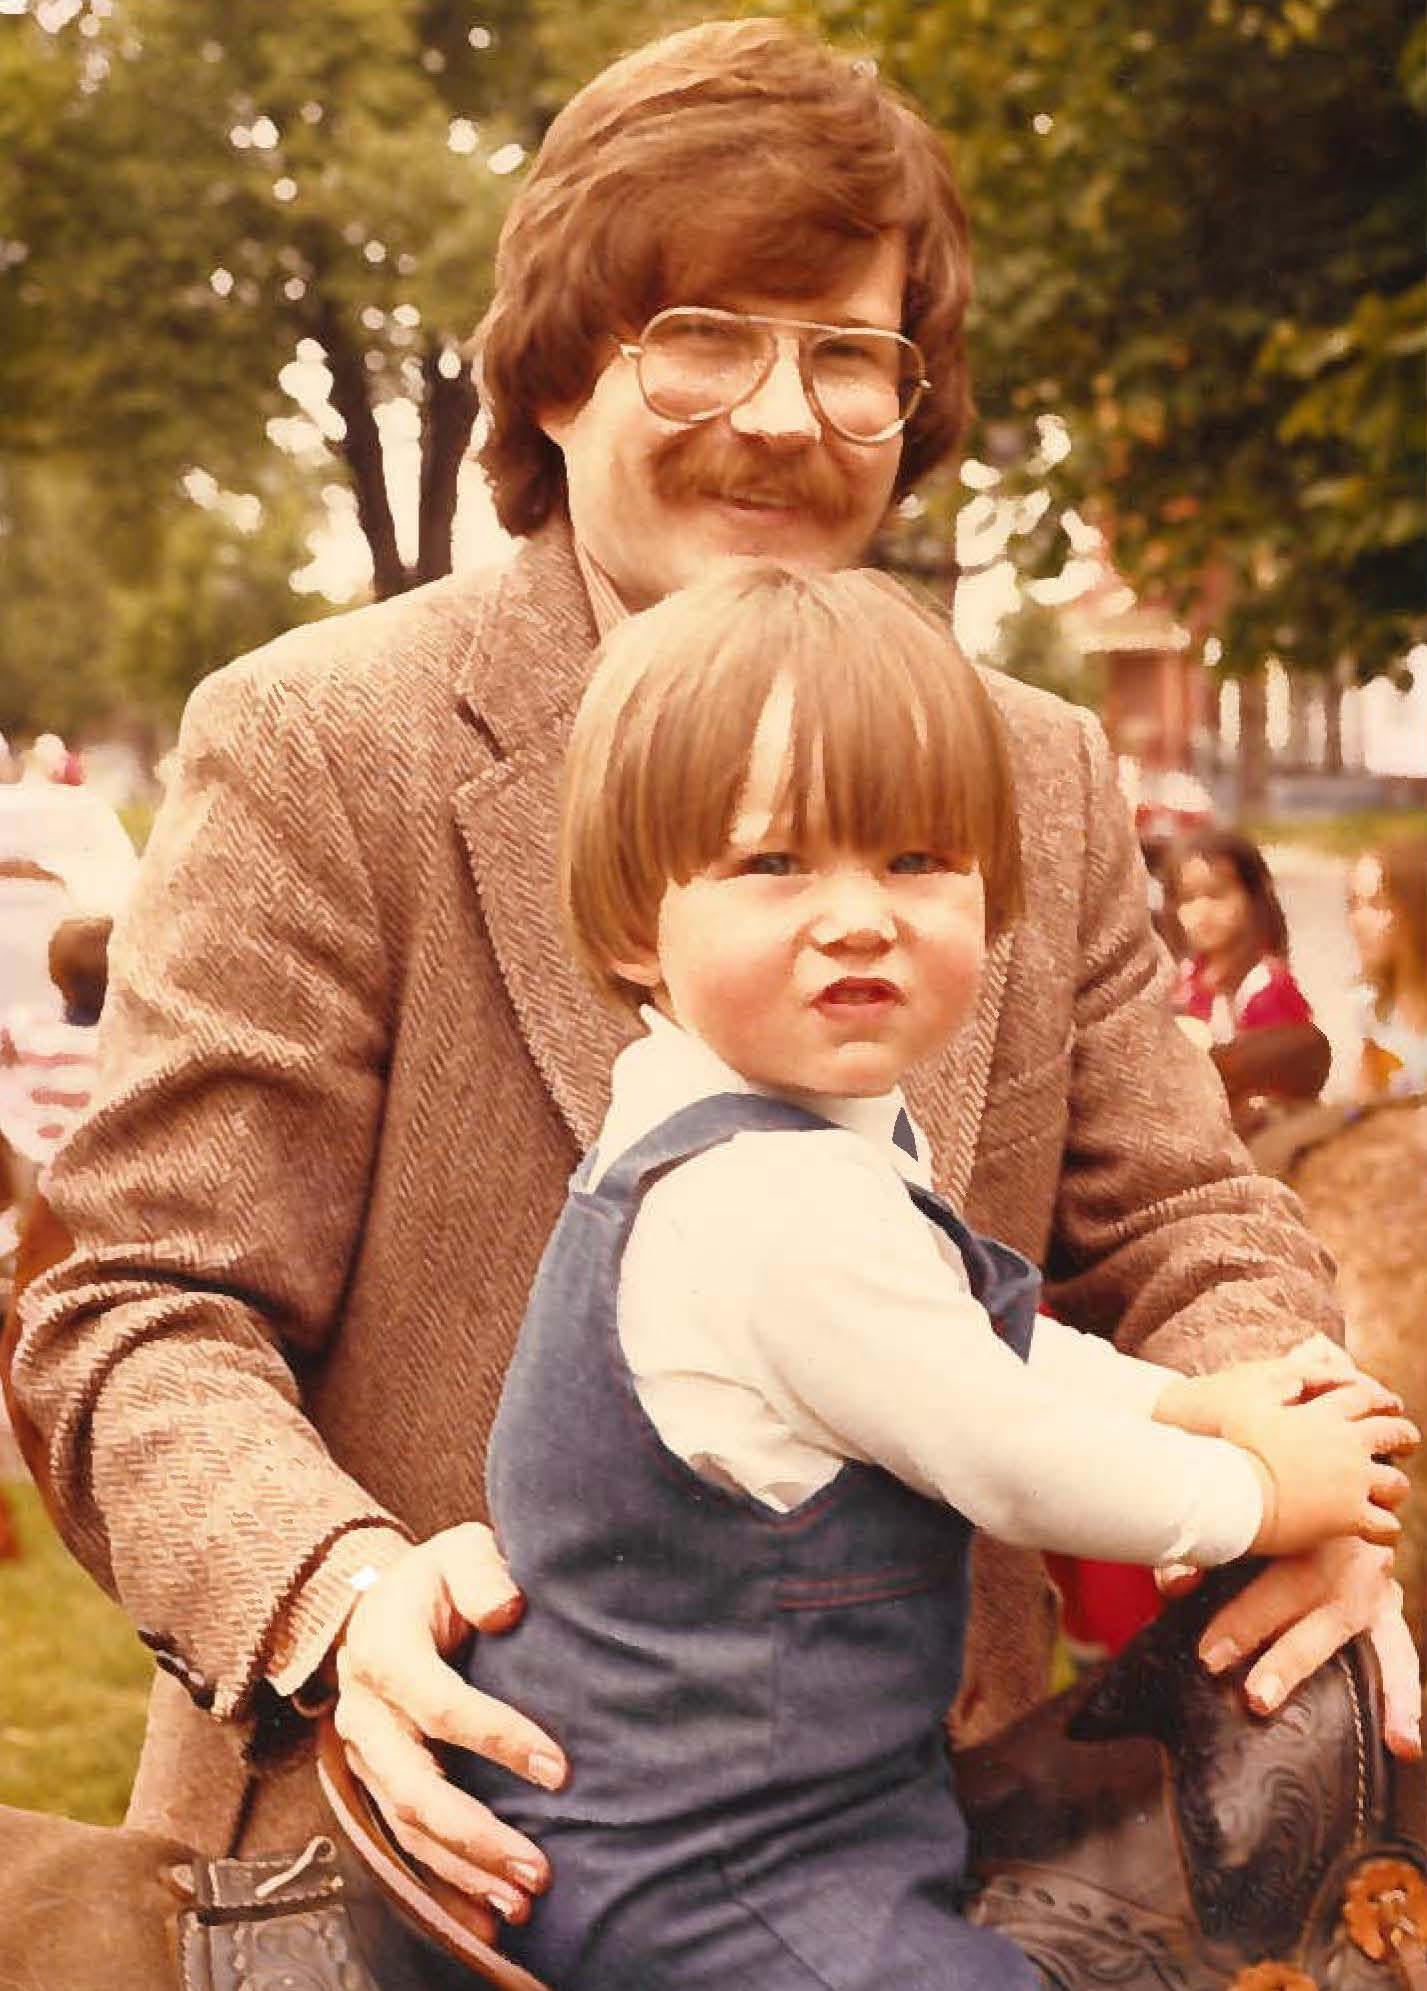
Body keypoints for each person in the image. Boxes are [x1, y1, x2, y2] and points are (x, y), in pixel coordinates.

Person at [11, 16, 1417, 1945]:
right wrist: (339, 1600)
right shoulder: (319, 740)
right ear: (560, 371)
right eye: (701, 333)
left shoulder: (1032, 769)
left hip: (939, 1851)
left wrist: (1301, 1495)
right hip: (407, 1866)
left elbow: (1182, 1219)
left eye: (848, 352)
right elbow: (136, 1311)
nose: (780, 410)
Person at [454, 558, 1414, 1985]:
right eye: (772, 861)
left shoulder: (773, 1130)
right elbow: (1003, 1451)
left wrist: (1186, 1401)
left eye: (914, 860)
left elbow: (986, 1341)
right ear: (627, 923)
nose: (857, 914)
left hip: (798, 1807)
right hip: (714, 1869)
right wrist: (1260, 1490)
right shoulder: (765, 1201)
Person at [1164, 827, 1331, 1136]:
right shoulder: (1184, 977)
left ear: (1253, 898)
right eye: (1188, 899)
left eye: (1216, 895)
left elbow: (1283, 1074)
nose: (1202, 912)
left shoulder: (1265, 986)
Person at [1347, 837, 1427, 1101]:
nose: (1358, 921)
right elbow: (1362, 1108)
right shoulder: (1370, 1008)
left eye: (1377, 905)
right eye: (1353, 904)